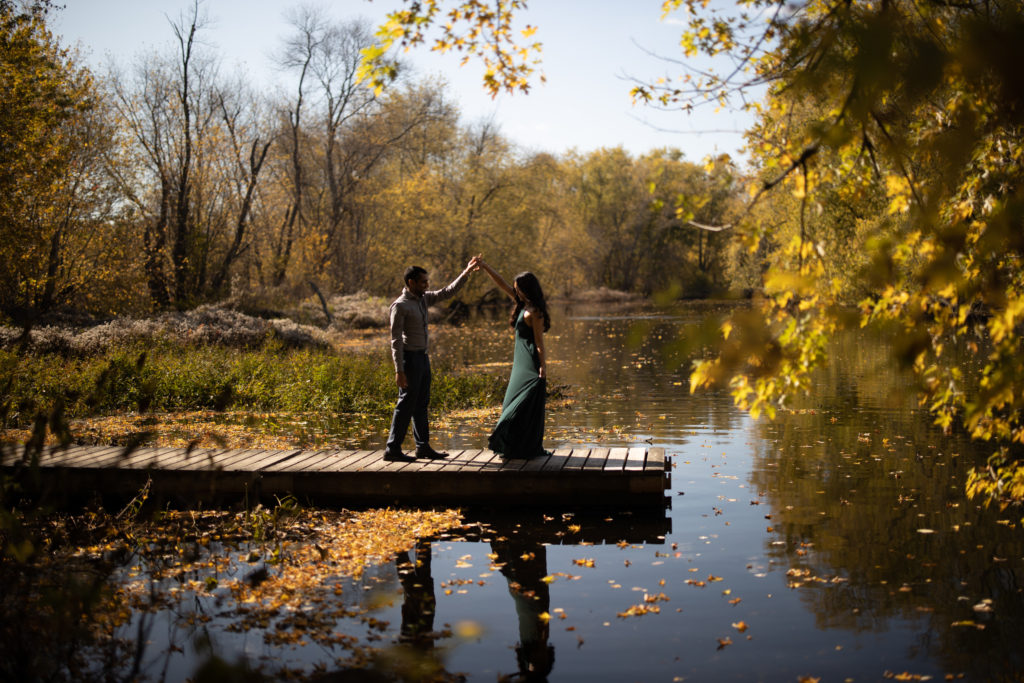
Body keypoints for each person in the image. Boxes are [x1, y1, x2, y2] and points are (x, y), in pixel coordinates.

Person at [385, 258, 480, 462]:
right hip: (410, 361)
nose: (427, 285)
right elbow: (395, 341)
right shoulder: (399, 306)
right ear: (410, 282)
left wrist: (466, 272)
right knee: (405, 404)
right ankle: (392, 449)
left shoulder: (423, 299)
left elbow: (447, 292)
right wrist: (399, 370)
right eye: (423, 282)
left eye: (427, 282)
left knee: (421, 404)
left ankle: (422, 447)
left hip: (423, 358)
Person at [476, 259, 551, 458]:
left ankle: (527, 447)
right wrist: (485, 266)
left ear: (528, 289)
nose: (516, 292)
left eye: (519, 289)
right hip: (519, 363)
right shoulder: (521, 303)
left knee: (526, 404)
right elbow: (501, 283)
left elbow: (538, 342)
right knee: (511, 401)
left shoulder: (535, 312)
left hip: (530, 363)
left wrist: (543, 366)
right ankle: (512, 446)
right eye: (515, 289)